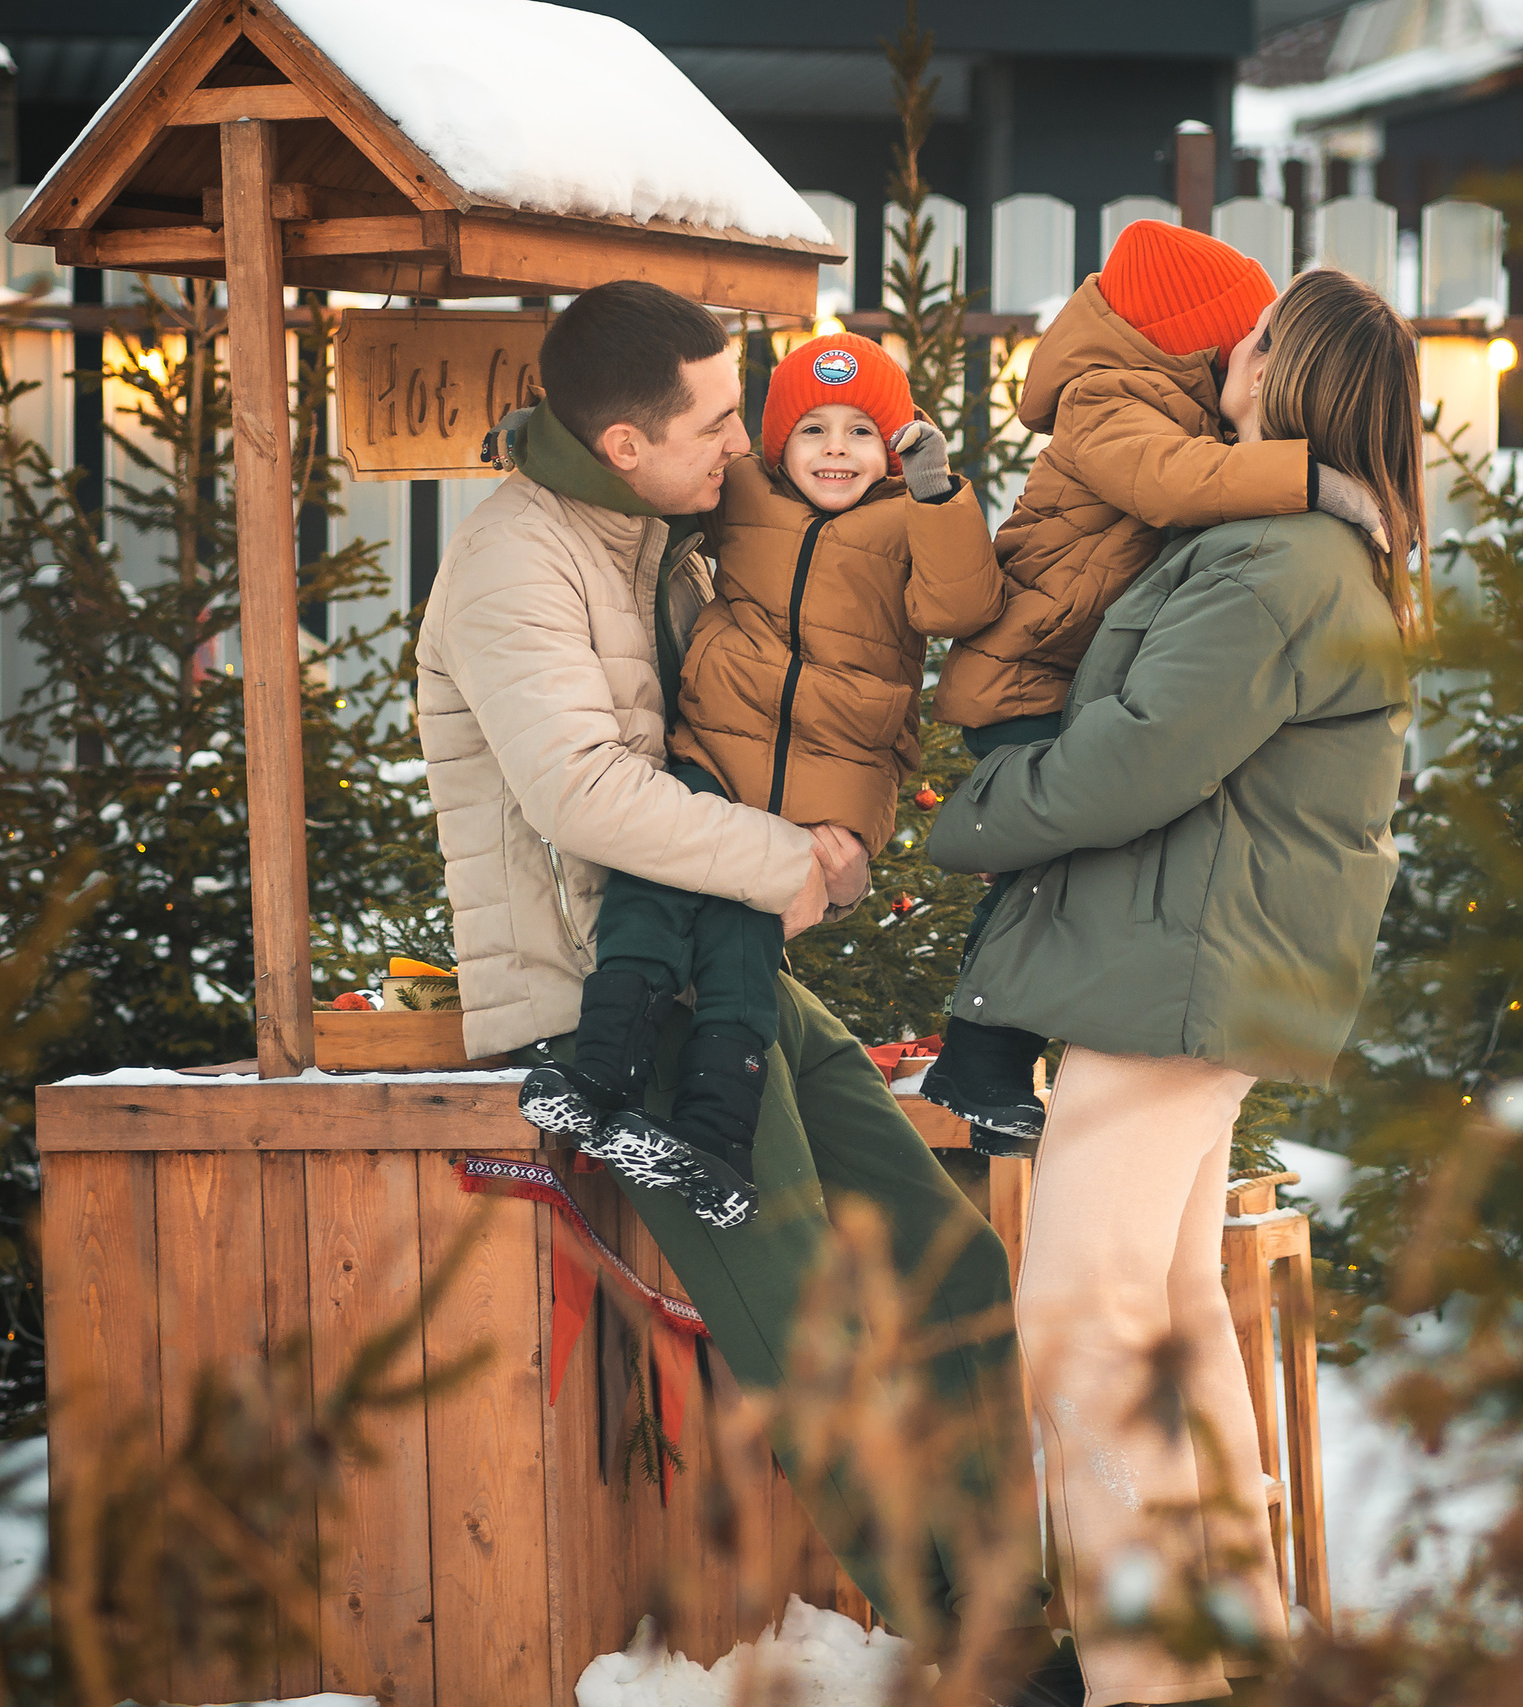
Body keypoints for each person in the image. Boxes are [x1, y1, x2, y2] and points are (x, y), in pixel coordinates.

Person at [415, 280, 1068, 1696]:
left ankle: (1021, 1589)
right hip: (606, 997)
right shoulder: (517, 565)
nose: (746, 444)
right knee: (805, 1323)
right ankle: (982, 1643)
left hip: (732, 966)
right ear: (628, 438)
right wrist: (790, 857)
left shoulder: (659, 534)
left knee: (950, 1256)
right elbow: (581, 790)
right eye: (720, 420)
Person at [924, 268, 1427, 1706]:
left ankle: (1148, 1671)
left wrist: (964, 816)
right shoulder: (1288, 546)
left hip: (1181, 975)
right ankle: (1227, 1649)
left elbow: (1142, 751)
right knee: (1166, 1303)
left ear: (1296, 378)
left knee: (1083, 1317)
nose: (1227, 353)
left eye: (1254, 341)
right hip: (1200, 970)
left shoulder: (1279, 565)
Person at [518, 332, 1004, 1230]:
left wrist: (939, 495)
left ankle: (717, 1140)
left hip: (826, 789)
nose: (834, 450)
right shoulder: (742, 495)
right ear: (773, 443)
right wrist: (537, 443)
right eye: (812, 429)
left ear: (893, 448)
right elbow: (641, 478)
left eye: (862, 431)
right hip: (713, 752)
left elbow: (962, 604)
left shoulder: (909, 523)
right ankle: (598, 1071)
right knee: (648, 897)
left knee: (742, 957)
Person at [919, 220, 1384, 1157]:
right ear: (1194, 338)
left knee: (1050, 865)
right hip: (1026, 675)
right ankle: (979, 1061)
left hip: (1061, 665)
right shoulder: (1116, 402)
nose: (1251, 353)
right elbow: (1175, 488)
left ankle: (986, 1060)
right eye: (1247, 334)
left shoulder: (1198, 442)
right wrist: (1311, 476)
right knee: (1038, 867)